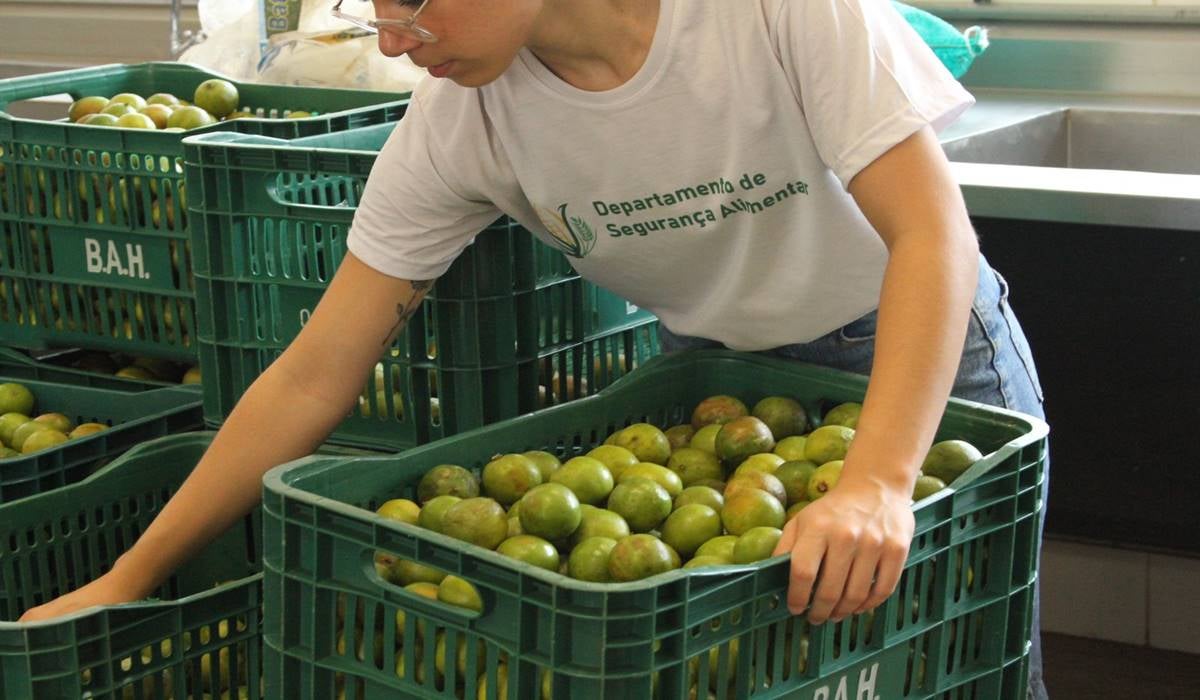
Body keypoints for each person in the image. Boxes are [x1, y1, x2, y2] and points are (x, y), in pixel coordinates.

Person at [21, 0, 1047, 696]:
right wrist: (131, 574)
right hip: (726, 400)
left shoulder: (760, 13)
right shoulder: (461, 124)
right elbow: (311, 374)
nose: (394, 29)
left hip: (920, 370)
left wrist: (874, 479)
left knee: (954, 665)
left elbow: (932, 235)